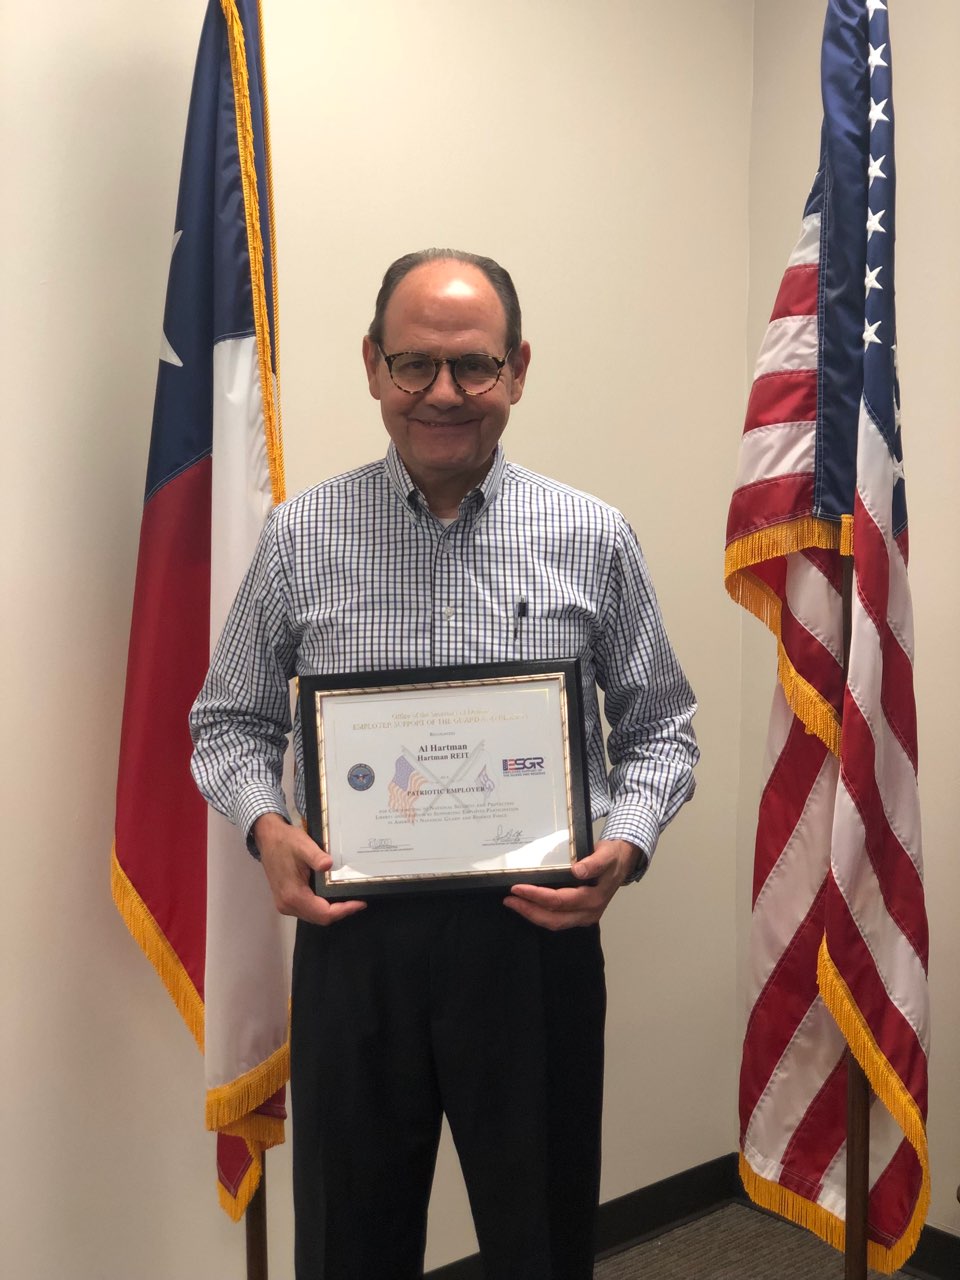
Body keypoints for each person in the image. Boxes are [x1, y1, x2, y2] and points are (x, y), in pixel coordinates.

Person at [190, 248, 698, 1279]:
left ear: (516, 369)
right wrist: (266, 826)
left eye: (473, 366)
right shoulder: (299, 537)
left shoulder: (591, 535)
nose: (443, 394)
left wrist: (629, 841)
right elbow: (228, 721)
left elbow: (664, 728)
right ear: (373, 367)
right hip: (355, 942)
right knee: (348, 1241)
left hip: (534, 945)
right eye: (414, 365)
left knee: (543, 1237)